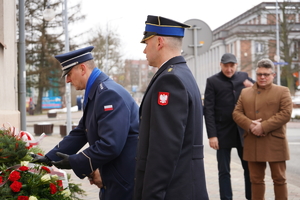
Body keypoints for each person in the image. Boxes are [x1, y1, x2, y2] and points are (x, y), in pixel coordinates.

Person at [32, 46, 139, 200]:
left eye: (69, 74)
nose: (67, 80)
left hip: (124, 180)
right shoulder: (97, 92)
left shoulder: (107, 94)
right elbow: (82, 131)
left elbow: (110, 145)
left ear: (82, 69)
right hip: (115, 176)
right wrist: (50, 157)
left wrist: (75, 161)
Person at [133, 15, 209, 200]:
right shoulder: (182, 74)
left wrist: (152, 195)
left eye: (147, 43)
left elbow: (164, 149)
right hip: (184, 186)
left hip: (174, 190)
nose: (144, 50)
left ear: (159, 42)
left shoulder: (170, 80)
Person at [233, 58, 293, 200]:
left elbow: (286, 114)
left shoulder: (283, 91)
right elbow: (236, 113)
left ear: (273, 75)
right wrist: (250, 125)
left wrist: (263, 127)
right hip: (253, 142)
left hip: (275, 143)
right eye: (259, 74)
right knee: (256, 180)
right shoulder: (245, 92)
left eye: (266, 74)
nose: (262, 77)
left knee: (279, 179)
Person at [204, 53, 253, 200]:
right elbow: (209, 110)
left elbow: (262, 90)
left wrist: (253, 86)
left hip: (242, 132)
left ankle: (250, 197)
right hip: (222, 132)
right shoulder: (212, 81)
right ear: (221, 65)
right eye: (226, 66)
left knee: (248, 169)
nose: (229, 69)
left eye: (232, 66)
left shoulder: (244, 77)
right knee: (224, 171)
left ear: (236, 66)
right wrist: (212, 135)